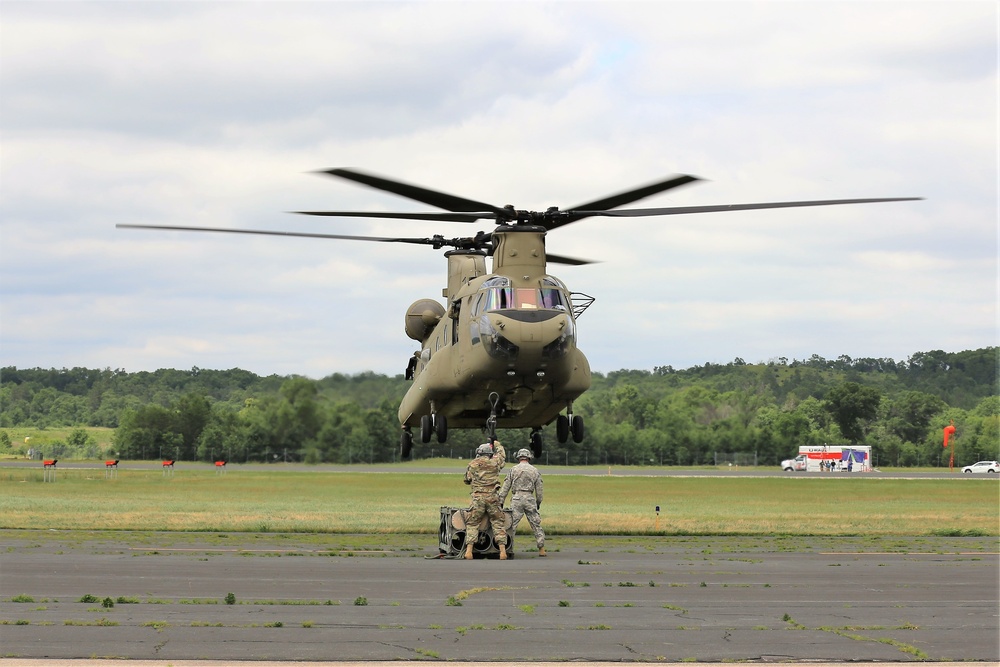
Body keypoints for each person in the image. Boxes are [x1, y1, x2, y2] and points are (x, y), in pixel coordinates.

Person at [463, 439, 507, 560]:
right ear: (490, 453)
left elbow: (467, 480)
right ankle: (502, 552)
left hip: (478, 498)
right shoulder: (495, 462)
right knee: (498, 522)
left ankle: (469, 551)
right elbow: (502, 456)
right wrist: (497, 444)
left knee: (472, 523)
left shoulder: (473, 464)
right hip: (493, 497)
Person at [499, 448, 546, 557]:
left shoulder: (513, 470)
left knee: (511, 525)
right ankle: (541, 548)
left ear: (518, 457)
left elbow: (506, 487)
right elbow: (539, 490)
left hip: (517, 499)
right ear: (529, 457)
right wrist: (538, 502)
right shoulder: (534, 470)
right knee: (535, 524)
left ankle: (508, 549)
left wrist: (501, 501)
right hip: (529, 498)